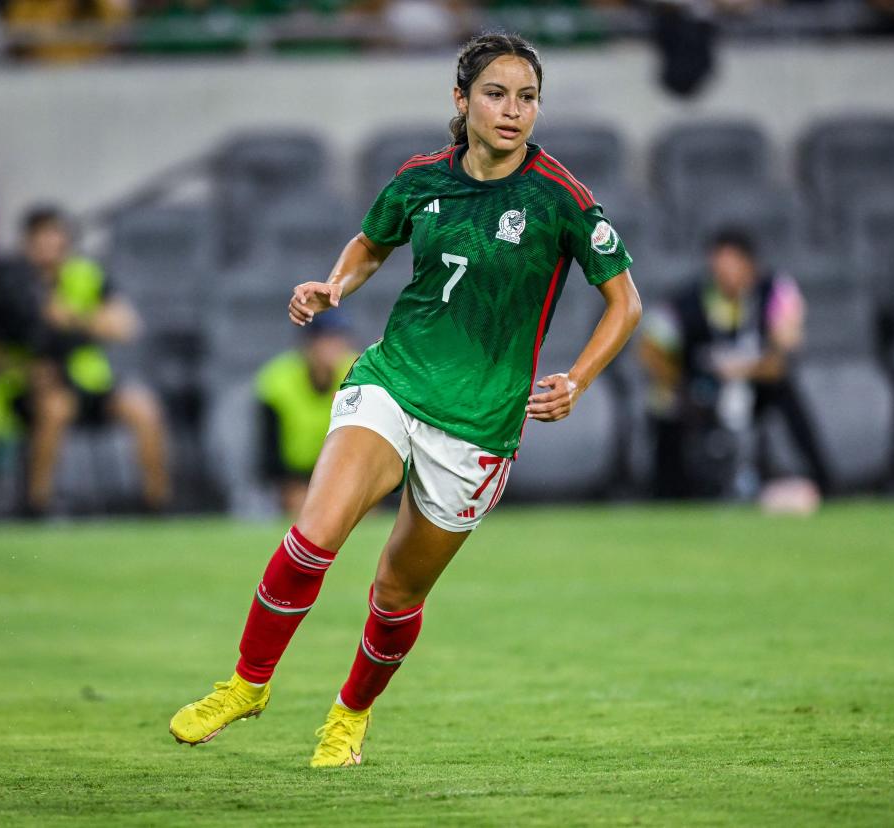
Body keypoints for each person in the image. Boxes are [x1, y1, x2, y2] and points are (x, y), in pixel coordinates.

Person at [168, 32, 641, 768]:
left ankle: (349, 716)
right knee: (315, 533)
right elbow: (370, 242)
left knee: (395, 593)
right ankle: (246, 683)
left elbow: (625, 304)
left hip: (480, 423)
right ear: (461, 101)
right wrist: (335, 286)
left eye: (527, 97)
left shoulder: (562, 199)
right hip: (393, 381)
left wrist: (577, 378)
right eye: (496, 93)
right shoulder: (421, 178)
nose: (512, 111)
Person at [0, 206, 171, 515]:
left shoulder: (85, 275)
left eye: (55, 236)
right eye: (41, 238)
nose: (50, 246)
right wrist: (25, 370)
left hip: (90, 384)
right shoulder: (6, 283)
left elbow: (126, 326)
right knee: (56, 408)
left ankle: (156, 505)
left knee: (143, 406)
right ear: (27, 243)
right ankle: (38, 505)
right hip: (28, 388)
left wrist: (71, 317)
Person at [639, 227, 829, 503]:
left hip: (757, 383)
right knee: (663, 404)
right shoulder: (689, 299)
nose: (725, 275)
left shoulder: (775, 291)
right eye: (718, 266)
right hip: (702, 387)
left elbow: (786, 352)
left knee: (787, 393)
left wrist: (746, 370)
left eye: (732, 265)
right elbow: (650, 345)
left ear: (750, 264)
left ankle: (823, 480)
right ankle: (668, 495)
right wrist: (677, 382)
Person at [254, 311, 356, 517]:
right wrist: (288, 486)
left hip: (346, 474)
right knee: (305, 513)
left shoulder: (358, 374)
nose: (333, 347)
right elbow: (269, 448)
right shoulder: (278, 381)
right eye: (326, 339)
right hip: (296, 478)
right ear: (309, 344)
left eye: (337, 338)